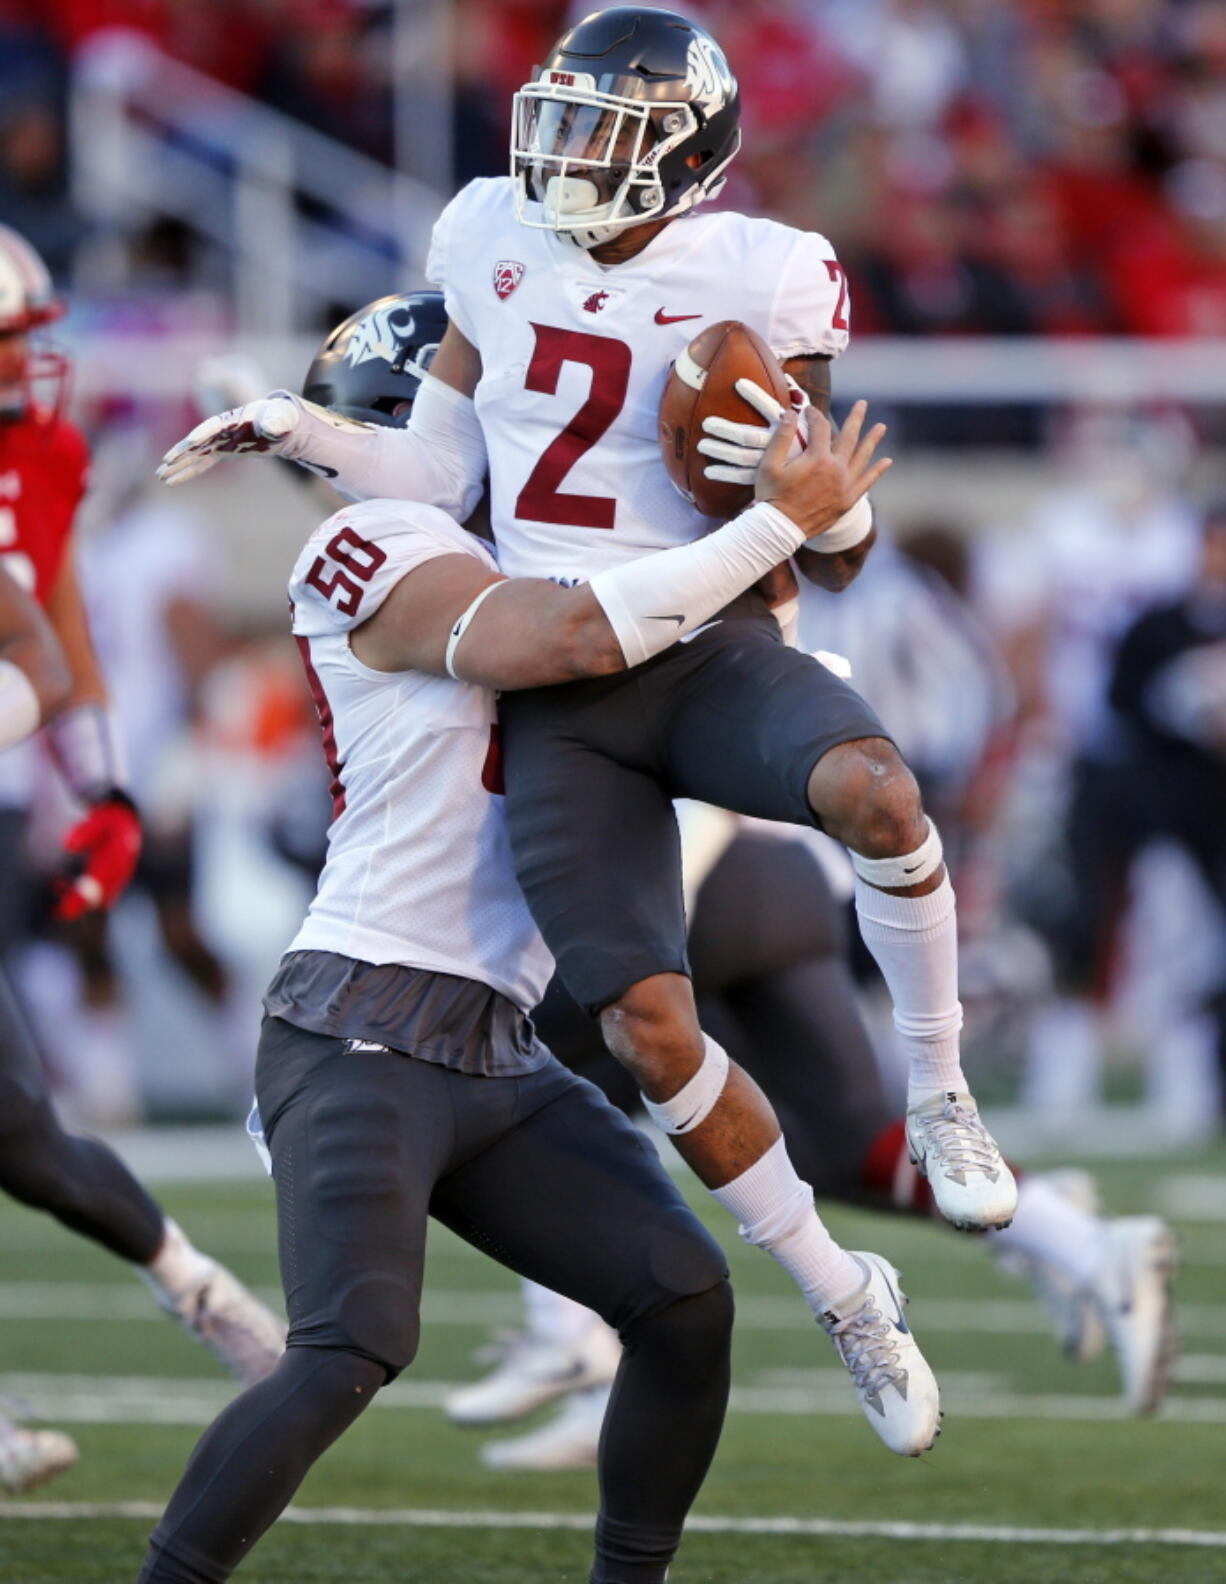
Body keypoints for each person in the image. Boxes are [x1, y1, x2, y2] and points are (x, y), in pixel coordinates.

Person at [161, 14, 1017, 1397]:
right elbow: (437, 474)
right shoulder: (488, 231)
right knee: (643, 1029)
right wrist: (301, 428)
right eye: (558, 120)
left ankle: (940, 1090)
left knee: (876, 791)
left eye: (604, 132)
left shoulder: (766, 271)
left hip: (713, 638)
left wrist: (791, 475)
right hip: (565, 683)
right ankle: (849, 1298)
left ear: (687, 150)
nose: (564, 156)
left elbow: (836, 541)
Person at [135, 293, 927, 1584]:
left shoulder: (565, 550)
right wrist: (772, 527)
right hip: (359, 1024)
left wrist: (798, 537)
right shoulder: (372, 544)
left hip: (499, 1054)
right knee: (349, 1348)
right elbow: (561, 636)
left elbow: (714, 629)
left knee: (679, 1300)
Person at [451, 810, 1176, 1468]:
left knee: (517, 1074)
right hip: (783, 882)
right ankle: (1070, 1236)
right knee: (842, 1146)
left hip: (683, 884)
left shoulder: (567, 666)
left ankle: (573, 1344)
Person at [0, 225, 286, 1491]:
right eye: (6, 345)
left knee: (20, 1136)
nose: (26, 368)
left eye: (23, 343)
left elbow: (45, 631)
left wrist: (104, 781)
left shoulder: (46, 452)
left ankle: (196, 1283)